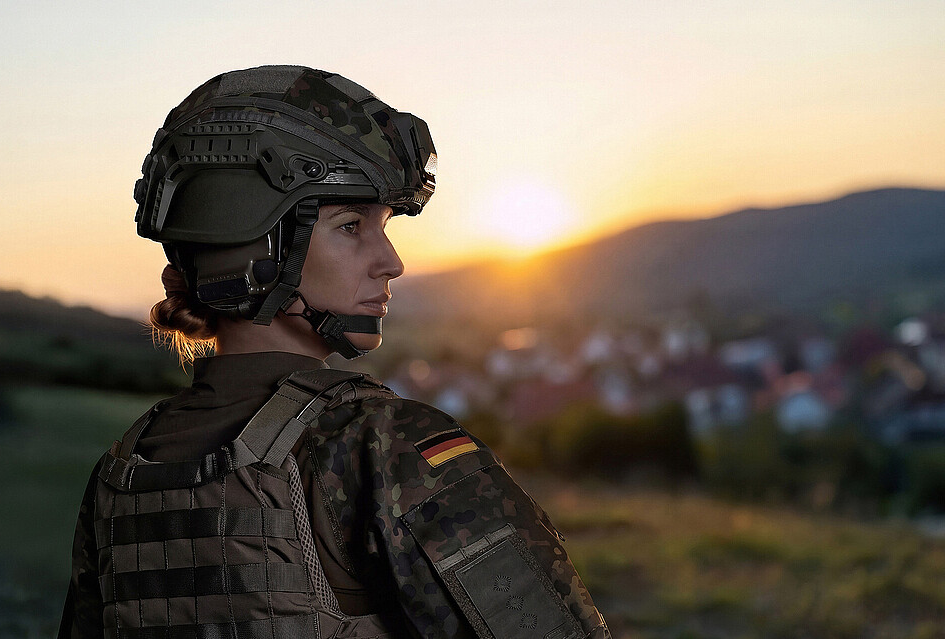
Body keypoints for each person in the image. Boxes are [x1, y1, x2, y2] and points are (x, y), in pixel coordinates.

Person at [57, 66, 609, 639]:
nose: (391, 262)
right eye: (350, 226)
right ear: (254, 246)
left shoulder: (122, 470)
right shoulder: (384, 445)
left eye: (384, 226)